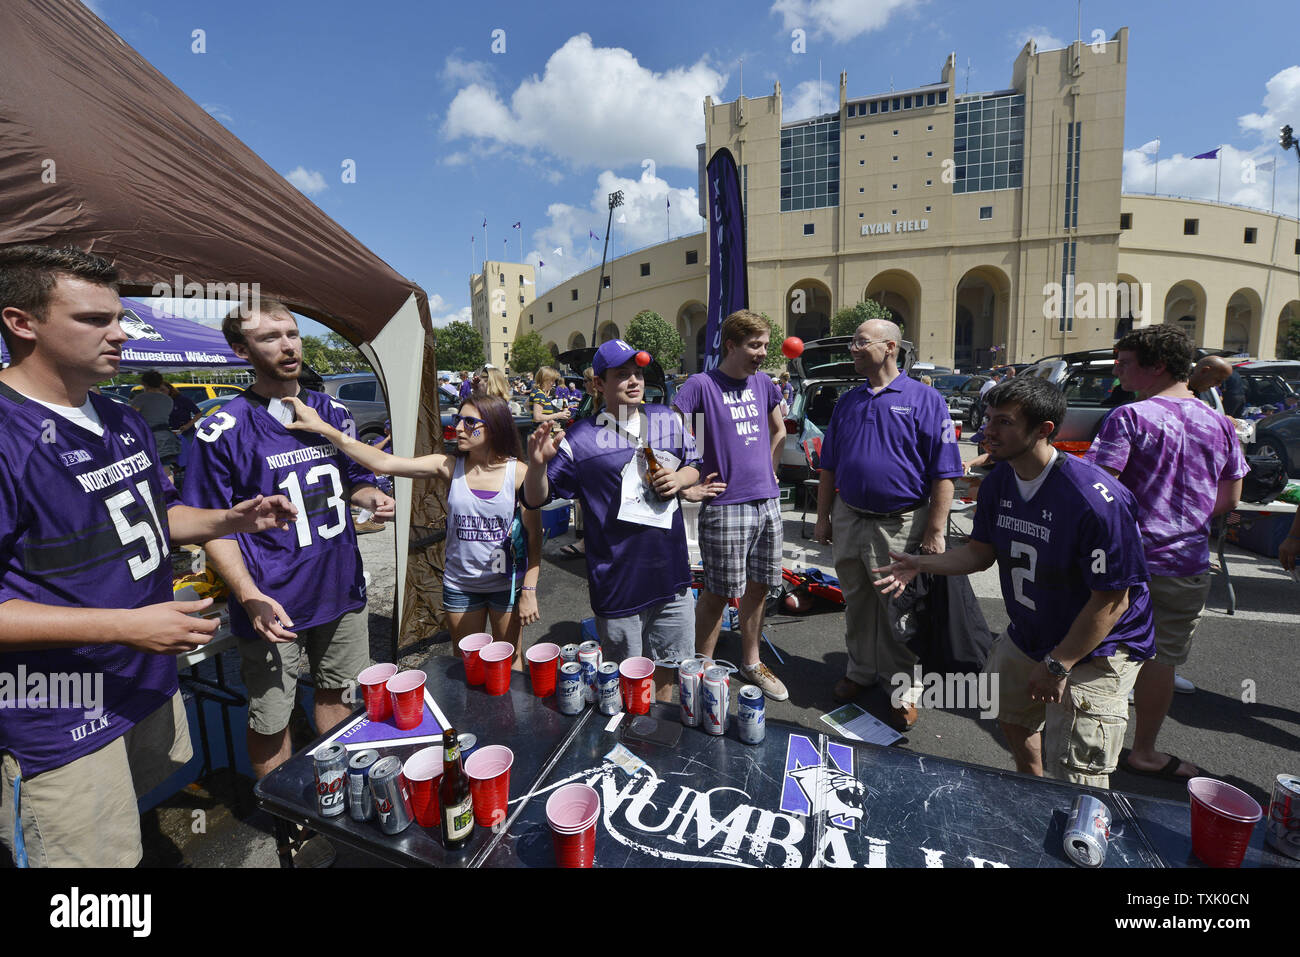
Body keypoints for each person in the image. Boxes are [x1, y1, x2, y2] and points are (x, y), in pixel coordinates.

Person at [0, 245, 295, 866]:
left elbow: (154, 516)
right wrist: (124, 625)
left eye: (118, 316)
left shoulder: (120, 416)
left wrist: (230, 517)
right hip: (56, 714)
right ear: (20, 322)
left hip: (141, 682)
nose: (121, 333)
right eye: (93, 320)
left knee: (130, 832)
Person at [873, 377, 1155, 788]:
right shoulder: (1001, 481)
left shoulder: (1092, 499)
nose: (988, 430)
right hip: (1031, 632)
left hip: (1097, 647)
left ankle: (1077, 830)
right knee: (1009, 714)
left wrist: (1059, 665)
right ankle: (1032, 792)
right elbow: (979, 554)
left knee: (1079, 774)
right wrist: (920, 563)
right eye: (988, 418)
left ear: (1044, 429)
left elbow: (1112, 602)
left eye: (1003, 421)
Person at [182, 297, 395, 785]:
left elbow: (356, 478)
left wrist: (369, 498)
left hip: (340, 587)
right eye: (269, 337)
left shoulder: (330, 410)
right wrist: (249, 595)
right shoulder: (222, 429)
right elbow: (208, 526)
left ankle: (336, 795)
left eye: (293, 334)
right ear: (241, 349)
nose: (287, 346)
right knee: (272, 718)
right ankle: (287, 825)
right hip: (272, 600)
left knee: (339, 695)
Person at [1085, 326, 1246, 781]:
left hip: (1125, 561)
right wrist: (1185, 522)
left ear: (1156, 366)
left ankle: (1095, 745)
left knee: (1102, 651)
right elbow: (1230, 500)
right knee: (1162, 659)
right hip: (1187, 563)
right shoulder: (1219, 423)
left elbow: (1100, 491)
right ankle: (1145, 751)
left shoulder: (1129, 418)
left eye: (1124, 361)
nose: (1117, 369)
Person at [285, 390, 540, 666]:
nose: (458, 427)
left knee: (509, 664)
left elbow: (534, 537)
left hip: (506, 584)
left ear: (494, 427)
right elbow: (383, 462)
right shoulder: (449, 465)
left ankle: (509, 712)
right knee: (469, 665)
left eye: (469, 422)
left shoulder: (518, 473)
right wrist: (324, 428)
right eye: (457, 419)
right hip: (461, 586)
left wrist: (529, 590)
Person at [523, 339, 700, 698]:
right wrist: (537, 465)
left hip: (672, 578)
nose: (634, 381)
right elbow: (534, 498)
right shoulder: (580, 438)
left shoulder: (668, 417)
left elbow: (694, 465)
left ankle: (658, 734)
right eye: (622, 375)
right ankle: (631, 739)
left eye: (637, 373)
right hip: (619, 585)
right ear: (598, 385)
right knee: (624, 684)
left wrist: (680, 479)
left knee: (670, 671)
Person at [812, 318, 962, 730]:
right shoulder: (847, 402)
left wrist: (935, 530)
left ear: (890, 347)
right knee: (858, 601)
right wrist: (824, 517)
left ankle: (901, 689)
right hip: (849, 516)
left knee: (898, 608)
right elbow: (829, 466)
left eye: (861, 342)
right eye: (854, 343)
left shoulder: (926, 400)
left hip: (898, 524)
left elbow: (945, 472)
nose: (854, 350)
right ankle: (860, 672)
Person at [673, 310, 789, 699]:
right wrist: (685, 485)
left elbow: (780, 429)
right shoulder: (701, 385)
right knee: (719, 592)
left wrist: (771, 470)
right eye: (755, 345)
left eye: (766, 346)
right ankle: (701, 669)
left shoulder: (764, 385)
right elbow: (667, 434)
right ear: (731, 345)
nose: (762, 354)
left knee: (759, 588)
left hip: (767, 503)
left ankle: (751, 662)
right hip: (725, 505)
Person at [130, 369, 180, 480]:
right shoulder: (168, 399)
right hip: (167, 437)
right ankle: (170, 495)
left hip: (148, 438)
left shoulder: (140, 398)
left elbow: (131, 417)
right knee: (166, 471)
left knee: (150, 470)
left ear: (144, 383)